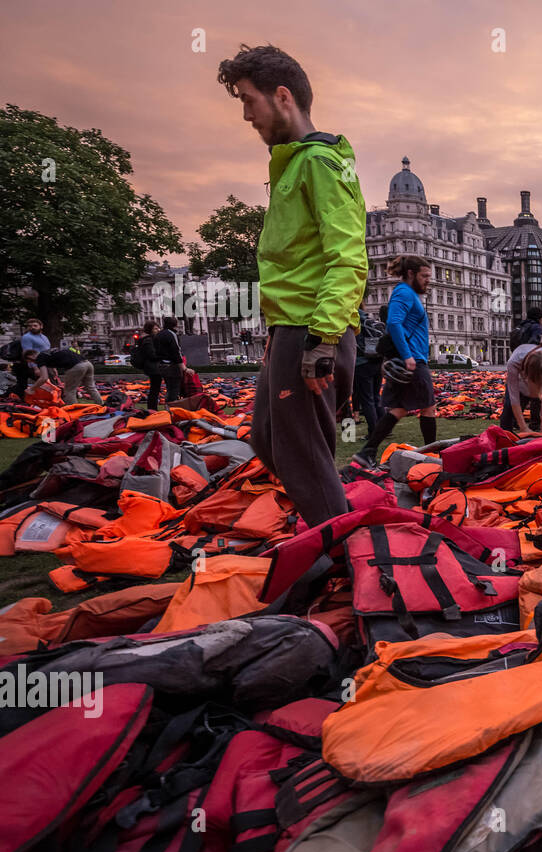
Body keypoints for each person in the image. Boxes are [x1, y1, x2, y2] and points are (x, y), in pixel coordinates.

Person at [217, 43, 365, 527]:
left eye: (246, 99)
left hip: (312, 328)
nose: (244, 115)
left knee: (301, 455)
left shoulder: (320, 162)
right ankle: (330, 521)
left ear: (282, 97)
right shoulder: (296, 165)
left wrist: (322, 339)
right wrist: (277, 333)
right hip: (291, 328)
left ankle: (340, 553)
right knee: (265, 436)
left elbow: (347, 256)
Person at [351, 255, 438, 465]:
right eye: (424, 276)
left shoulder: (406, 293)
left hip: (408, 358)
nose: (428, 280)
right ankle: (433, 455)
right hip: (412, 360)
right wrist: (407, 355)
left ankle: (367, 452)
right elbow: (394, 323)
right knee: (428, 407)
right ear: (411, 274)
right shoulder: (404, 292)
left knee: (398, 410)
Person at [502, 340, 542, 437]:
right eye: (536, 382)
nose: (539, 387)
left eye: (541, 383)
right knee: (508, 408)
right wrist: (524, 427)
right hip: (520, 383)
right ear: (526, 375)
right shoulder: (514, 362)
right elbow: (514, 398)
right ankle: (504, 438)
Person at [351, 306, 385, 435]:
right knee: (376, 397)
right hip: (376, 361)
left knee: (367, 399)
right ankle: (384, 428)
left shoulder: (353, 320)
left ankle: (373, 431)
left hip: (362, 363)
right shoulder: (369, 319)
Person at [30, 347, 102, 403]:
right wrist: (54, 369)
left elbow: (44, 378)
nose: (33, 363)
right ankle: (102, 405)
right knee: (91, 387)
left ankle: (73, 411)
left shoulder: (39, 358)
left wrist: (32, 388)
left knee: (69, 391)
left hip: (76, 366)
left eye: (30, 361)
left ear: (31, 355)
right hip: (87, 363)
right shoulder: (47, 353)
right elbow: (57, 357)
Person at [154, 316, 186, 406]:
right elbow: (176, 351)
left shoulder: (159, 335)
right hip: (171, 366)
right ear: (175, 324)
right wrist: (184, 368)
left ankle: (168, 408)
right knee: (174, 390)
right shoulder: (171, 334)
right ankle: (173, 410)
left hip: (161, 365)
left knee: (169, 388)